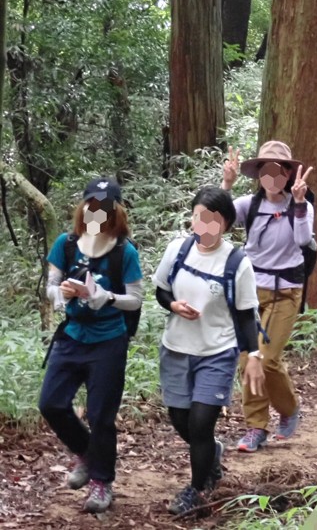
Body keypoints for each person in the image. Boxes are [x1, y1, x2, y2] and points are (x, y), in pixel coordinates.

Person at [152, 187, 260, 515]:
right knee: (179, 418)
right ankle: (212, 455)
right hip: (176, 348)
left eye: (214, 219)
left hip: (217, 351)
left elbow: (245, 315)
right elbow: (160, 291)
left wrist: (253, 355)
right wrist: (173, 305)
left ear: (226, 224)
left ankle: (197, 490)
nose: (206, 225)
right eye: (200, 217)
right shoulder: (177, 250)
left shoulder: (237, 263)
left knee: (200, 424)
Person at [39, 178, 143, 514]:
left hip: (108, 340)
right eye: (91, 205)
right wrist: (62, 293)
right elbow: (51, 287)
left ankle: (101, 480)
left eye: (104, 206)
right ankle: (87, 452)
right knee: (51, 403)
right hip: (71, 336)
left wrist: (107, 297)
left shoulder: (123, 251)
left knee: (101, 415)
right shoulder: (66, 244)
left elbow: (136, 299)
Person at [221, 141, 314, 452]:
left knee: (268, 359)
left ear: (288, 174)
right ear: (259, 174)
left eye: (279, 170)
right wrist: (227, 184)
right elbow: (218, 221)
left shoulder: (301, 205)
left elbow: (303, 240)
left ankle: (289, 410)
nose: (272, 176)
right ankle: (256, 427)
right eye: (266, 170)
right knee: (248, 360)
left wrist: (298, 204)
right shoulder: (250, 204)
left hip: (286, 290)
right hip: (250, 290)